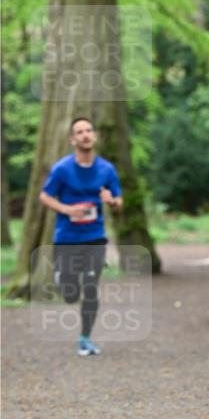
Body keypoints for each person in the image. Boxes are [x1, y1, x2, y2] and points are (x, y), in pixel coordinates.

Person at [39, 117, 123, 356]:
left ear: (94, 136)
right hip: (66, 238)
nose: (85, 135)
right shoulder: (62, 169)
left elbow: (119, 201)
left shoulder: (107, 169)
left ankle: (85, 338)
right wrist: (67, 210)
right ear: (72, 139)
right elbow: (45, 196)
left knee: (91, 286)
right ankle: (61, 279)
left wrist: (112, 201)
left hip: (95, 237)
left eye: (89, 130)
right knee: (70, 294)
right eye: (80, 132)